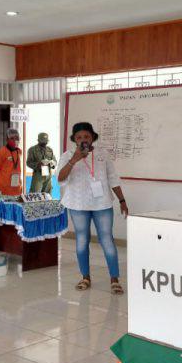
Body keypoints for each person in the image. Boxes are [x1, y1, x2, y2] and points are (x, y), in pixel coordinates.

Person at [58, 122, 128, 295]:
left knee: (106, 240)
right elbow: (60, 178)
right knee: (82, 240)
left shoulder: (103, 154)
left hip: (102, 203)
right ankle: (85, 277)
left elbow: (113, 178)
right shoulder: (67, 156)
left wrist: (122, 200)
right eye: (79, 137)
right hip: (78, 204)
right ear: (74, 139)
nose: (83, 140)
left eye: (87, 136)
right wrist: (73, 160)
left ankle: (114, 279)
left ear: (93, 137)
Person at [0, 128, 23, 195]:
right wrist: (3, 179)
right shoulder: (1, 152)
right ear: (7, 139)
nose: (15, 140)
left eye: (17, 138)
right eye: (12, 138)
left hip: (17, 187)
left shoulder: (19, 151)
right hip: (4, 189)